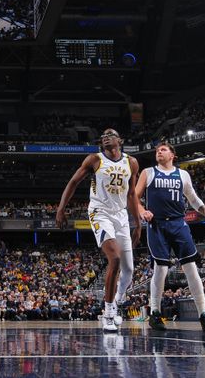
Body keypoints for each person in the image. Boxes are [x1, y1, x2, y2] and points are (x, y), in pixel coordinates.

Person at [56, 128, 141, 332]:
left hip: (121, 215)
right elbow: (74, 182)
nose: (105, 137)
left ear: (119, 140)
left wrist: (137, 223)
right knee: (115, 259)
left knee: (129, 270)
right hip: (100, 212)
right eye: (103, 136)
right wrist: (61, 209)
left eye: (110, 134)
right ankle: (109, 313)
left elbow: (131, 194)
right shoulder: (94, 159)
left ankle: (118, 300)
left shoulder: (132, 162)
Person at [135, 142, 205, 332]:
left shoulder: (182, 175)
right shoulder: (148, 172)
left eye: (163, 149)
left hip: (178, 223)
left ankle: (204, 315)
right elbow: (134, 197)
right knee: (161, 269)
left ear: (172, 155)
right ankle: (155, 313)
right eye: (157, 150)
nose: (159, 152)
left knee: (191, 268)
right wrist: (142, 210)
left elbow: (193, 199)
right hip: (157, 224)